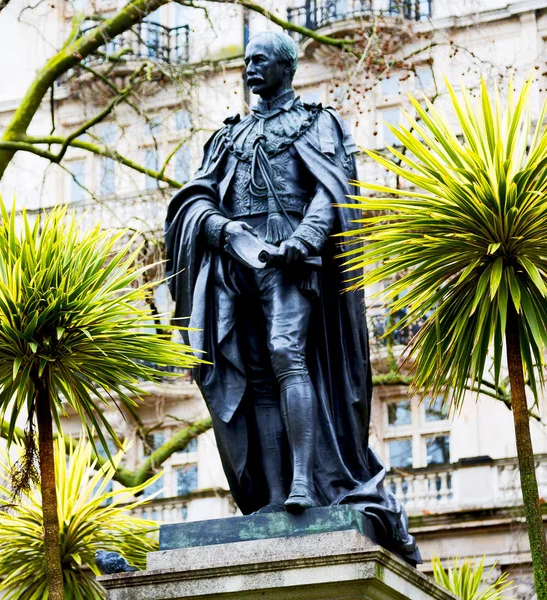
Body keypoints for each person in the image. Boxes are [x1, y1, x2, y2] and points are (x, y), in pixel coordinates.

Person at [165, 30, 420, 565]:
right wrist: (223, 232)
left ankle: (306, 482)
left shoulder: (317, 122)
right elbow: (195, 199)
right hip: (237, 267)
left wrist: (299, 243)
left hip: (293, 263)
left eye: (259, 60)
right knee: (256, 374)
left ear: (287, 67)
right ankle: (275, 497)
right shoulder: (228, 135)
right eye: (245, 60)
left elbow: (334, 194)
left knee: (288, 355)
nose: (249, 68)